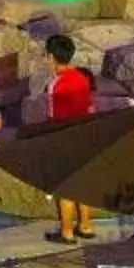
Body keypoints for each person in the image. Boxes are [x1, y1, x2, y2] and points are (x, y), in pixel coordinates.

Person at [45, 34, 96, 241]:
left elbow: (54, 118)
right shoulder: (82, 78)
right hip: (85, 135)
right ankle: (85, 226)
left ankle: (66, 231)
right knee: (83, 185)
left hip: (66, 138)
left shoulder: (57, 85)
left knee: (65, 187)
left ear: (50, 57)